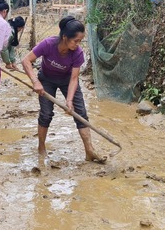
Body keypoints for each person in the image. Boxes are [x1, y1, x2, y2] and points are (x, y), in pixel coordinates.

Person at [21, 16, 106, 164]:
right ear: (65, 37)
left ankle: (89, 150)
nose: (78, 44)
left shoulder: (77, 53)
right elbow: (26, 60)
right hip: (46, 79)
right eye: (76, 41)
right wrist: (35, 81)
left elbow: (74, 79)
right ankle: (41, 148)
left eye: (80, 41)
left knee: (81, 113)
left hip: (67, 81)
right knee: (46, 114)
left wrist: (69, 100)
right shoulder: (48, 44)